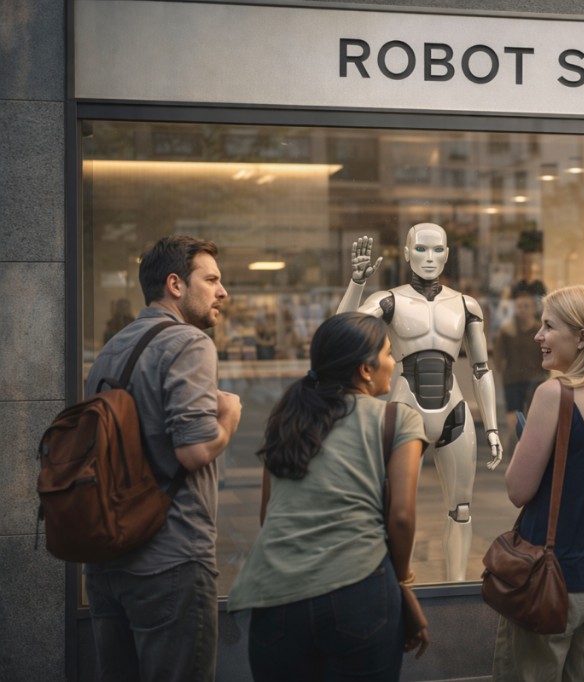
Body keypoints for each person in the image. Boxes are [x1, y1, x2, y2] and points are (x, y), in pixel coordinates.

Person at [228, 312, 428, 681]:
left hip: (275, 594)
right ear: (366, 370)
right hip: (360, 589)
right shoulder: (397, 419)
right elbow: (401, 516)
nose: (393, 362)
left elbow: (268, 515)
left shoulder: (288, 417)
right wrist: (401, 585)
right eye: (387, 353)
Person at [83, 235, 243, 682]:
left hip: (107, 562)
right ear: (175, 284)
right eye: (211, 279)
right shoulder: (188, 343)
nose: (222, 291)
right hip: (170, 562)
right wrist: (228, 417)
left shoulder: (112, 349)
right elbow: (193, 450)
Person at [337, 226, 502, 582]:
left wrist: (491, 427)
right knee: (398, 509)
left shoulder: (465, 304)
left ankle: (457, 589)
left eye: (437, 250)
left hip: (454, 410)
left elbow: (481, 368)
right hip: (404, 408)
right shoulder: (390, 300)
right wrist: (357, 284)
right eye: (421, 250)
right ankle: (398, 587)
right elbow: (340, 333)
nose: (429, 258)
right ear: (408, 253)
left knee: (461, 509)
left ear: (446, 254)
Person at [493, 285, 584, 681]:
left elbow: (518, 490)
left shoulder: (554, 395)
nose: (537, 336)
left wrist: (524, 443)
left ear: (582, 337)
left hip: (553, 582)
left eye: (548, 326)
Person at [493, 282, 547, 451]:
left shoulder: (540, 329)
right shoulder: (507, 330)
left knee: (534, 414)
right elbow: (498, 355)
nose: (523, 310)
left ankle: (531, 446)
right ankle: (518, 444)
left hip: (535, 378)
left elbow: (546, 351)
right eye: (519, 306)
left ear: (533, 308)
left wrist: (545, 372)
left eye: (526, 306)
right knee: (513, 414)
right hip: (513, 379)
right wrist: (503, 370)